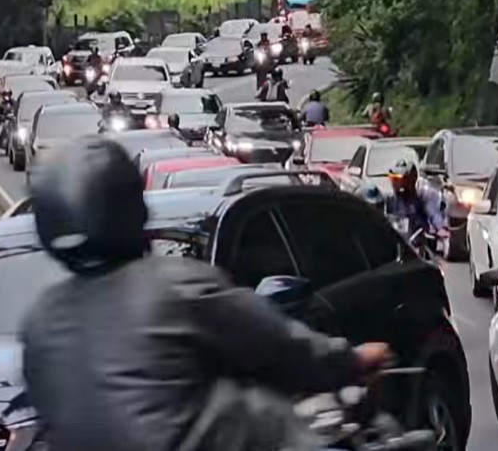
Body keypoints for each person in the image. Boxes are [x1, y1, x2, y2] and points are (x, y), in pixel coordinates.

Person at [19, 138, 393, 451]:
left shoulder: (40, 324)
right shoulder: (174, 288)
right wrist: (351, 360)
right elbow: (281, 345)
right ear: (130, 203)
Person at [387, 161, 448, 258]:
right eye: (394, 179)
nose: (397, 184)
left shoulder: (422, 197)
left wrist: (440, 228)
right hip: (396, 245)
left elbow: (433, 214)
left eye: (400, 180)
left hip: (419, 245)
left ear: (412, 179)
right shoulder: (389, 201)